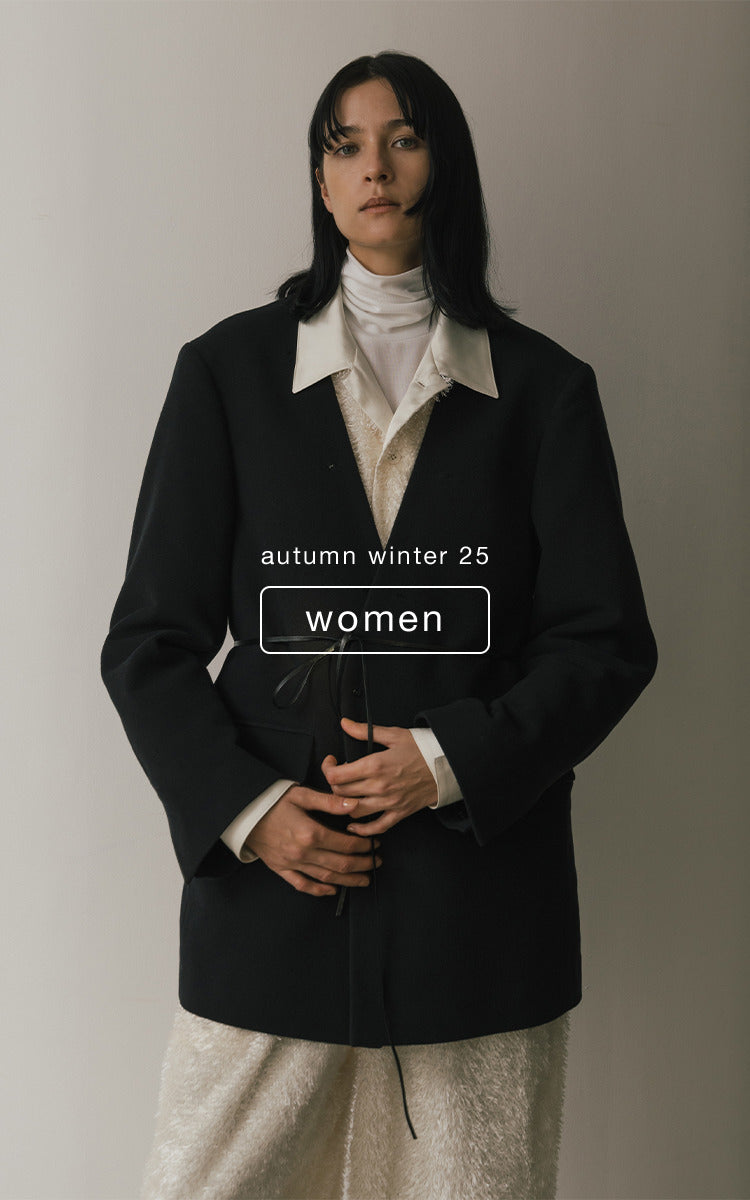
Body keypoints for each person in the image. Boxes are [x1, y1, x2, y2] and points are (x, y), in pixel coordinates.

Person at [101, 50, 658, 1200]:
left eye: (403, 138)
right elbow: (149, 644)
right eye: (345, 144)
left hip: (478, 918)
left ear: (443, 163)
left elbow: (604, 642)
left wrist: (449, 760)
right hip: (273, 905)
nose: (375, 167)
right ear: (319, 179)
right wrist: (252, 813)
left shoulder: (544, 392)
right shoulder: (226, 377)